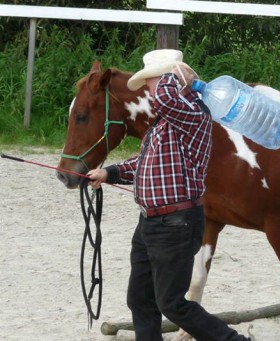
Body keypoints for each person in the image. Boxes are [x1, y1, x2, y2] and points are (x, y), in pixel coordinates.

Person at [87, 49, 252, 341]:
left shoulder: (194, 113)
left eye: (152, 82)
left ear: (170, 82)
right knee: (140, 298)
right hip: (149, 223)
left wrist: (171, 76)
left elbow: (164, 98)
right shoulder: (163, 123)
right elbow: (144, 162)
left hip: (176, 224)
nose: (149, 91)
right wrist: (109, 173)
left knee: (172, 304)